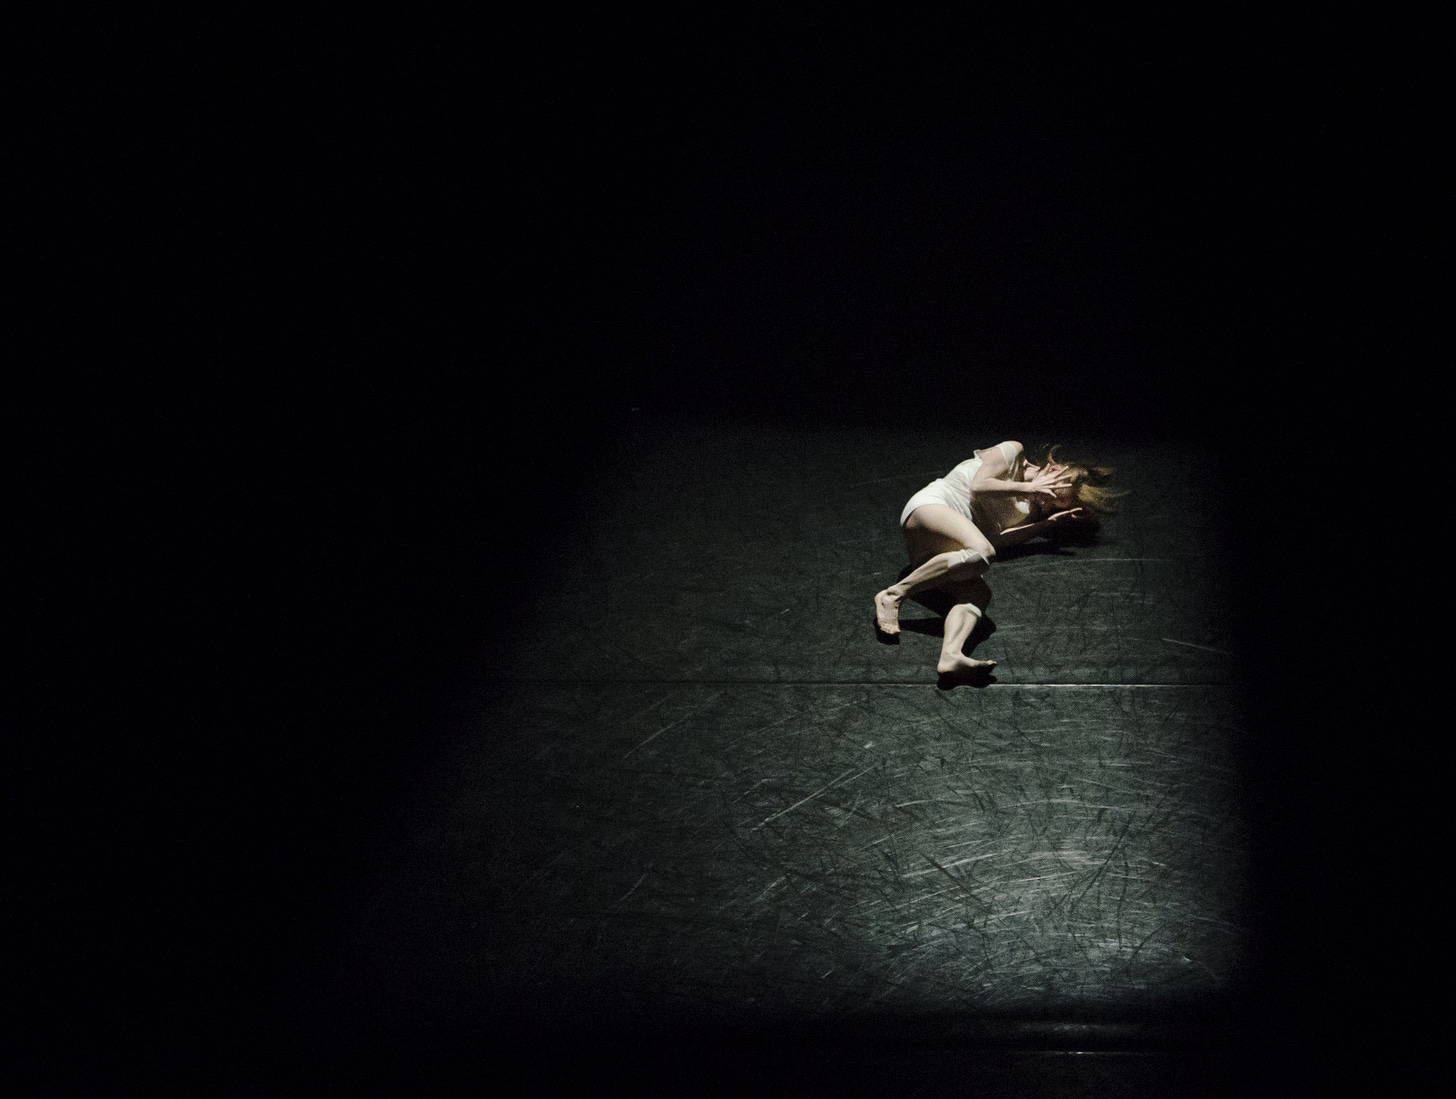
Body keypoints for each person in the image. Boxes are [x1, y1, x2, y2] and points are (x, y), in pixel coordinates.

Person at [873, 441, 1118, 679]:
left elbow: (997, 541)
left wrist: (1044, 524)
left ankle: (950, 655)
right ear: (1054, 470)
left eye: (1055, 504)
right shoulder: (1013, 453)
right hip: (928, 508)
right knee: (982, 553)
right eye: (1053, 493)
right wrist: (1029, 488)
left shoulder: (1030, 510)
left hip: (933, 551)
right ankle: (894, 594)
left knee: (980, 593)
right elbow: (979, 486)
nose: (1048, 501)